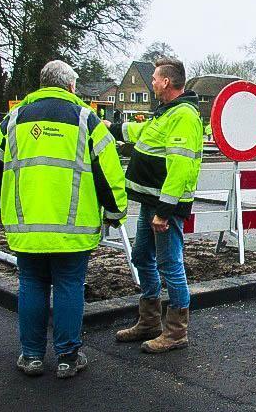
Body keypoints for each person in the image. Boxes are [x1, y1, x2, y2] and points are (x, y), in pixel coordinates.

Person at [0, 60, 127, 378]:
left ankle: (31, 356)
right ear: (71, 86)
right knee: (70, 285)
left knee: (31, 284)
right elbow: (109, 174)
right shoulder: (87, 120)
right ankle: (68, 358)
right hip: (73, 228)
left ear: (42, 85)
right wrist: (115, 212)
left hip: (27, 226)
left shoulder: (13, 120)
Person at [106, 57, 202, 353]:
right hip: (151, 202)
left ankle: (176, 332)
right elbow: (142, 135)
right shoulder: (165, 113)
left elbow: (180, 167)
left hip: (164, 207)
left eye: (156, 79)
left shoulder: (183, 116)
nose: (153, 83)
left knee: (170, 265)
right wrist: (110, 127)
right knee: (141, 257)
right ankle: (149, 321)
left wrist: (164, 211)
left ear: (168, 82)